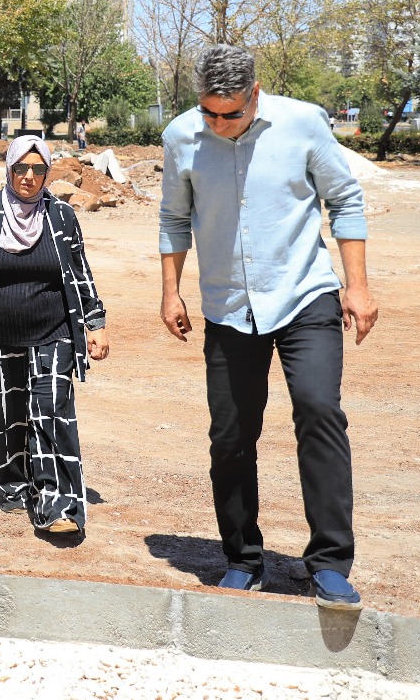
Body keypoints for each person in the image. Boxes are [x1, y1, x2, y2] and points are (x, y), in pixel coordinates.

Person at [160, 44, 377, 610]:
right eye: (208, 112)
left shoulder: (303, 122)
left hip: (305, 295)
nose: (218, 124)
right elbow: (174, 217)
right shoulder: (181, 136)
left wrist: (357, 285)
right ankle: (242, 558)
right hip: (229, 306)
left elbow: (345, 200)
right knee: (231, 435)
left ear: (255, 94)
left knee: (319, 411)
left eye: (230, 113)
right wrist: (170, 291)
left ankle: (329, 563)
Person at [0, 136, 109, 537]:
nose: (28, 177)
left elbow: (79, 270)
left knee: (51, 411)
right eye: (21, 168)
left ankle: (57, 504)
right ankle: (16, 484)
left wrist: (95, 323)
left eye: (38, 169)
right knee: (7, 414)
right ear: (8, 169)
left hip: (54, 331)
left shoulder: (61, 215)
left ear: (47, 173)